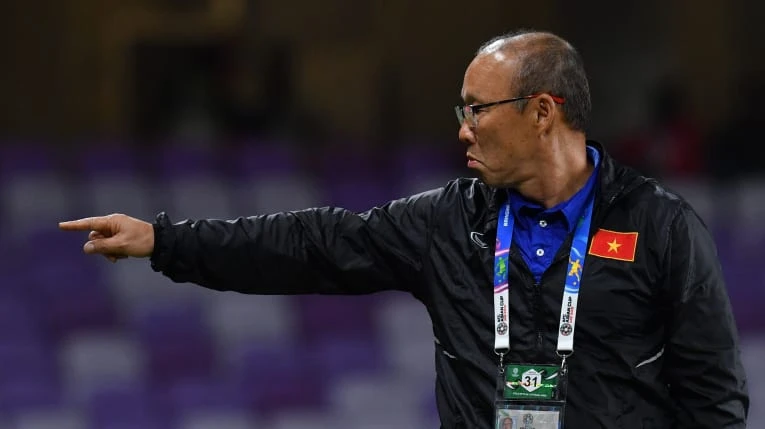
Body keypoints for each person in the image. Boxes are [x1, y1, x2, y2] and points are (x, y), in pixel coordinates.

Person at [59, 30, 749, 428]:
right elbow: (310, 245)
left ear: (543, 111)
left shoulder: (660, 226)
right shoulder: (446, 222)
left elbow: (714, 399)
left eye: (477, 109)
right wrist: (166, 240)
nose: (462, 129)